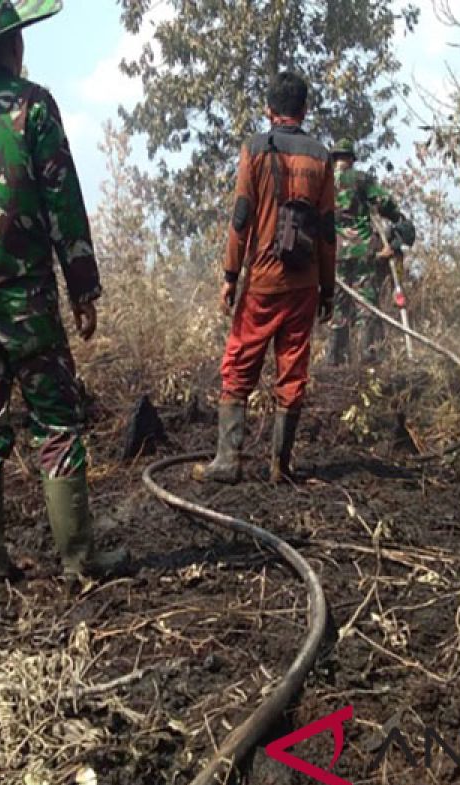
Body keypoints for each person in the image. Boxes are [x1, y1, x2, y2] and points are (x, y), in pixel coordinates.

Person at [0, 0, 128, 582]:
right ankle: (78, 559)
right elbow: (64, 200)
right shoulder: (34, 106)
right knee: (56, 424)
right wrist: (83, 286)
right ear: (14, 44)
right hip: (29, 305)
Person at [194, 71, 337, 485]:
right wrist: (327, 287)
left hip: (262, 281)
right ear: (304, 110)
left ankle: (228, 461)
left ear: (269, 110)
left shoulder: (255, 149)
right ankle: (281, 465)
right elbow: (327, 230)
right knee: (293, 370)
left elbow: (242, 217)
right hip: (304, 283)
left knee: (239, 363)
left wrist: (229, 275)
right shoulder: (321, 156)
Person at [327, 138, 404, 366]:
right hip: (363, 251)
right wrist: (397, 218)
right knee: (365, 304)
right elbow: (384, 202)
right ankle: (366, 359)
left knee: (338, 305)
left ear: (335, 159)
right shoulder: (361, 179)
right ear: (351, 158)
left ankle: (334, 360)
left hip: (335, 253)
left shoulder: (324, 182)